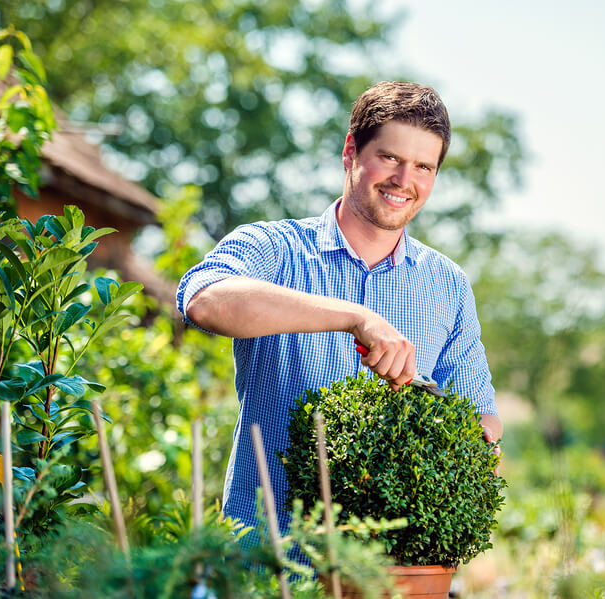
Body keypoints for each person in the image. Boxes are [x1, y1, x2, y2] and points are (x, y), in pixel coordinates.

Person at [177, 81, 502, 535]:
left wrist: (471, 440)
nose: (404, 181)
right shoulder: (274, 249)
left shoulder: (447, 285)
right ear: (351, 151)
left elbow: (479, 416)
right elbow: (205, 302)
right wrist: (356, 318)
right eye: (390, 158)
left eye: (423, 166)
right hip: (266, 564)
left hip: (386, 571)